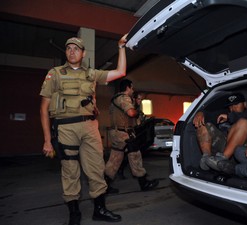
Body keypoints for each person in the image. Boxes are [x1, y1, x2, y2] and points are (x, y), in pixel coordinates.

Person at [40, 35, 127, 225]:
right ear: (66, 52)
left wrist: (121, 47)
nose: (72, 51)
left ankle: (100, 209)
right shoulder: (55, 73)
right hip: (65, 127)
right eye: (69, 48)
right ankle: (74, 213)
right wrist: (47, 140)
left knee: (96, 168)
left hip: (89, 126)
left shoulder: (92, 74)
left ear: (83, 53)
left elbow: (120, 72)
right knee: (70, 170)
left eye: (76, 48)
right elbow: (43, 108)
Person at [105, 79, 159, 191]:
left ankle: (104, 186)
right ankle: (144, 183)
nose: (132, 90)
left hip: (117, 133)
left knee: (115, 159)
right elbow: (130, 113)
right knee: (135, 156)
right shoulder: (124, 98)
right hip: (124, 133)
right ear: (128, 87)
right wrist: (137, 111)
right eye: (132, 88)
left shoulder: (115, 99)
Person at [193, 93, 247, 172]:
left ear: (245, 104)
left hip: (243, 150)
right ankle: (206, 158)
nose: (233, 108)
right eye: (230, 106)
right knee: (202, 123)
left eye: (236, 104)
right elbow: (208, 115)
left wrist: (231, 117)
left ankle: (222, 159)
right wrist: (201, 113)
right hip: (223, 146)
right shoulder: (225, 114)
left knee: (243, 122)